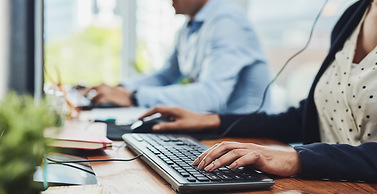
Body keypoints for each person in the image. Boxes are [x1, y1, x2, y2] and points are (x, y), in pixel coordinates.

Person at [138, 0, 377, 183]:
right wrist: (211, 121)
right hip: (330, 192)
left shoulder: (226, 20)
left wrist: (298, 158)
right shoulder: (353, 16)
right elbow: (304, 118)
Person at [83, 0, 271, 114]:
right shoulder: (188, 28)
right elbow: (165, 76)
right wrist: (121, 89)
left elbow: (211, 96)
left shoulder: (227, 21)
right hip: (217, 130)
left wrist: (133, 97)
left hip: (248, 137)